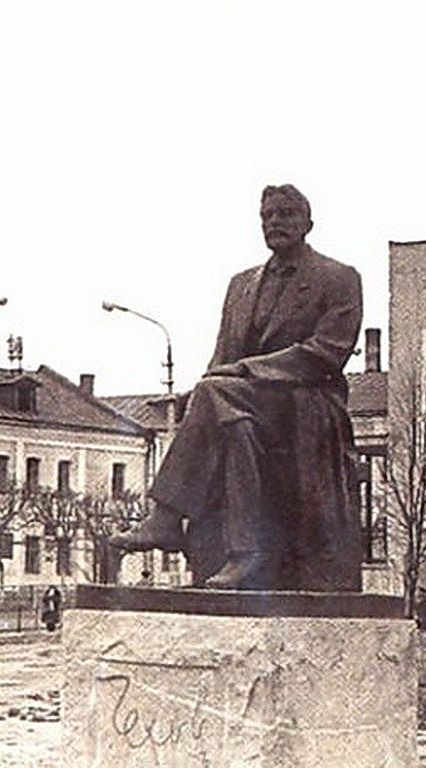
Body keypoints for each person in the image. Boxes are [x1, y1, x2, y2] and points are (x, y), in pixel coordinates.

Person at [110, 184, 363, 591]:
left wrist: (249, 372)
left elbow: (326, 352)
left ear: (308, 224)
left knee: (217, 395)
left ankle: (167, 517)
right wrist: (209, 391)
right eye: (267, 216)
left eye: (285, 215)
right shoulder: (241, 284)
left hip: (307, 400)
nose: (275, 223)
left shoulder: (338, 277)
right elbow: (221, 357)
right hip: (245, 403)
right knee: (229, 419)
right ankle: (246, 554)